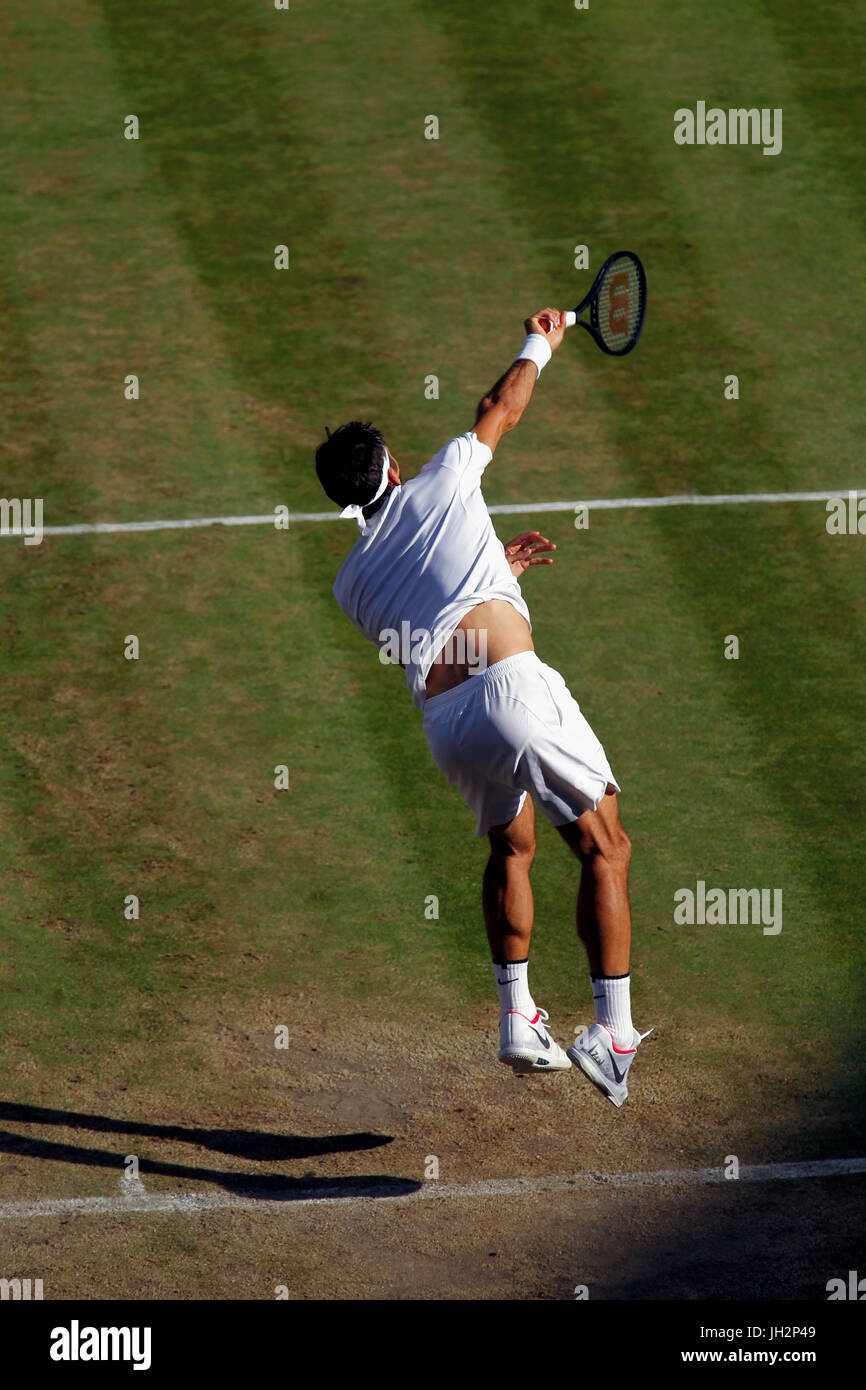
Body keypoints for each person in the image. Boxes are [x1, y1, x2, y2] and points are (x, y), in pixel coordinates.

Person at [314, 309, 651, 1106]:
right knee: (607, 845)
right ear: (393, 466)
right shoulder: (443, 477)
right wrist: (547, 337)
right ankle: (613, 1035)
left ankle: (517, 1017)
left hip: (449, 728)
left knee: (514, 847)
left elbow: (435, 623)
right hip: (512, 693)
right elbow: (501, 406)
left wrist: (494, 576)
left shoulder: (350, 586)